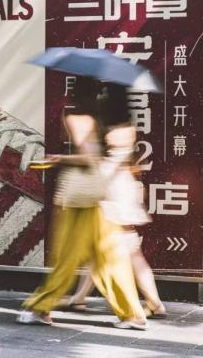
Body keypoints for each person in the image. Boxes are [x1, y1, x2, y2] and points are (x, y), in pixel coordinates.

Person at [17, 76, 147, 330]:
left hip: (79, 196)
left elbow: (88, 158)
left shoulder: (77, 117)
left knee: (68, 257)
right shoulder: (100, 115)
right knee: (108, 256)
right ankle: (133, 314)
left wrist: (59, 159)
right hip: (100, 193)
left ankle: (39, 307)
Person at [63, 83, 166, 318]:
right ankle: (79, 297)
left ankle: (155, 302)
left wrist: (96, 177)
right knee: (102, 247)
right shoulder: (123, 125)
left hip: (114, 190)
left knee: (128, 250)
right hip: (119, 189)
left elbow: (112, 163)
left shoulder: (117, 129)